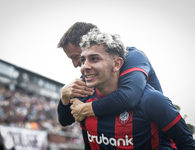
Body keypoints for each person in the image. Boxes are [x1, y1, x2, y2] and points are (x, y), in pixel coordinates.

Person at [60, 28, 195, 149]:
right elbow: (65, 120)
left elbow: (128, 97)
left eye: (94, 58)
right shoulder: (85, 92)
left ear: (117, 63)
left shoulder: (135, 61)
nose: (80, 66)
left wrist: (85, 109)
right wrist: (65, 95)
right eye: (83, 60)